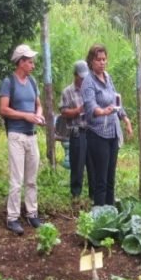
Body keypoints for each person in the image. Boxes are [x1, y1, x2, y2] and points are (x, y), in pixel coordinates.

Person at [0, 44, 46, 236]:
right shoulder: (9, 82)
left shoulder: (32, 82)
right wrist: (25, 116)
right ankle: (12, 217)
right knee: (16, 179)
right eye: (29, 61)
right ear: (20, 62)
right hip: (16, 135)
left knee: (32, 178)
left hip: (32, 134)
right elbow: (3, 109)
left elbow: (38, 105)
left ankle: (32, 213)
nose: (33, 65)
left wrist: (38, 116)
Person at [82, 44, 132, 206]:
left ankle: (111, 214)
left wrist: (124, 118)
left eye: (104, 59)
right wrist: (103, 111)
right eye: (98, 60)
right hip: (98, 134)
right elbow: (90, 106)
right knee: (101, 179)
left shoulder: (108, 77)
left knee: (111, 178)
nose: (102, 63)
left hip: (113, 133)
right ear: (91, 61)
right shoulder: (88, 82)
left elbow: (116, 100)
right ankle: (99, 215)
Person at [60, 60, 93, 203]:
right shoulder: (68, 91)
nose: (83, 80)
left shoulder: (90, 89)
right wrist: (77, 111)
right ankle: (76, 196)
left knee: (93, 166)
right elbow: (63, 111)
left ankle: (94, 197)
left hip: (91, 131)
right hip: (77, 132)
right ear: (75, 75)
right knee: (77, 167)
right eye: (81, 77)